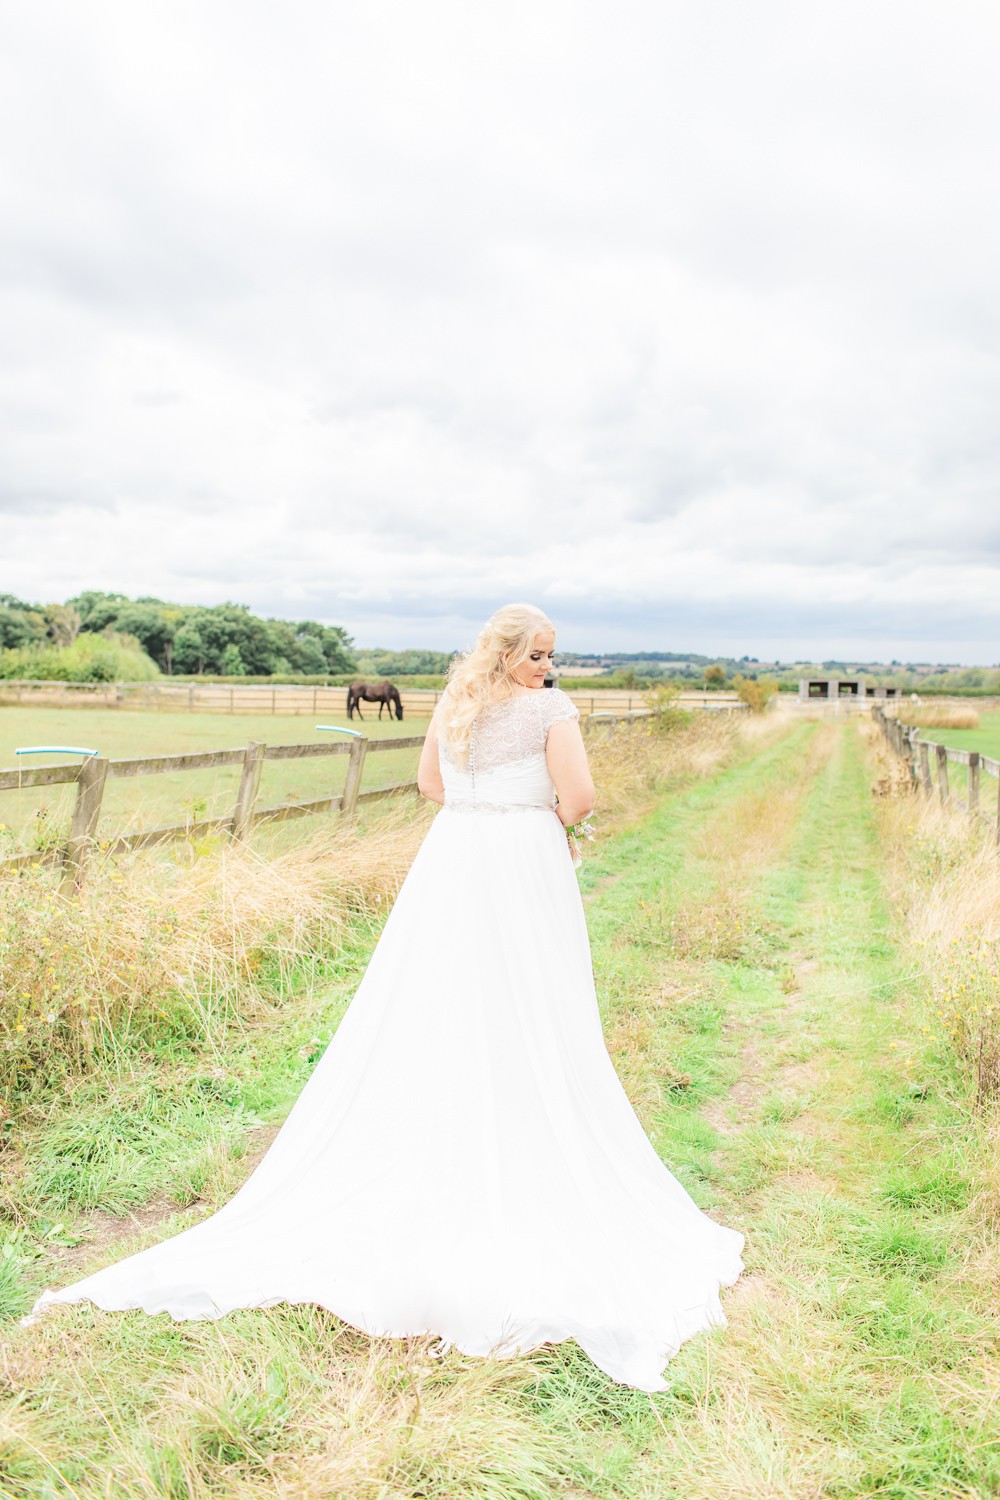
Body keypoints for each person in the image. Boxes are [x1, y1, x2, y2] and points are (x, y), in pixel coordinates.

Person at [24, 603, 745, 1392]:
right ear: (506, 653)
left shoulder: (455, 700)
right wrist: (536, 816)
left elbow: (430, 783)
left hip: (455, 856)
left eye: (550, 655)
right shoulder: (551, 711)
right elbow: (582, 797)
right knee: (527, 1000)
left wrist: (481, 808)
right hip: (519, 862)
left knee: (444, 995)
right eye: (537, 653)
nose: (548, 666)